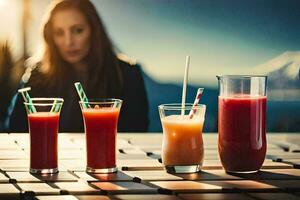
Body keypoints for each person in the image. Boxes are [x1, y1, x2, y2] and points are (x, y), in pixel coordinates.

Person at [8, 0, 149, 132]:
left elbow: (138, 130)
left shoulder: (127, 74)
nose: (69, 42)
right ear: (51, 37)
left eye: (78, 30)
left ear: (94, 30)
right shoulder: (38, 76)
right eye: (59, 33)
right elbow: (15, 129)